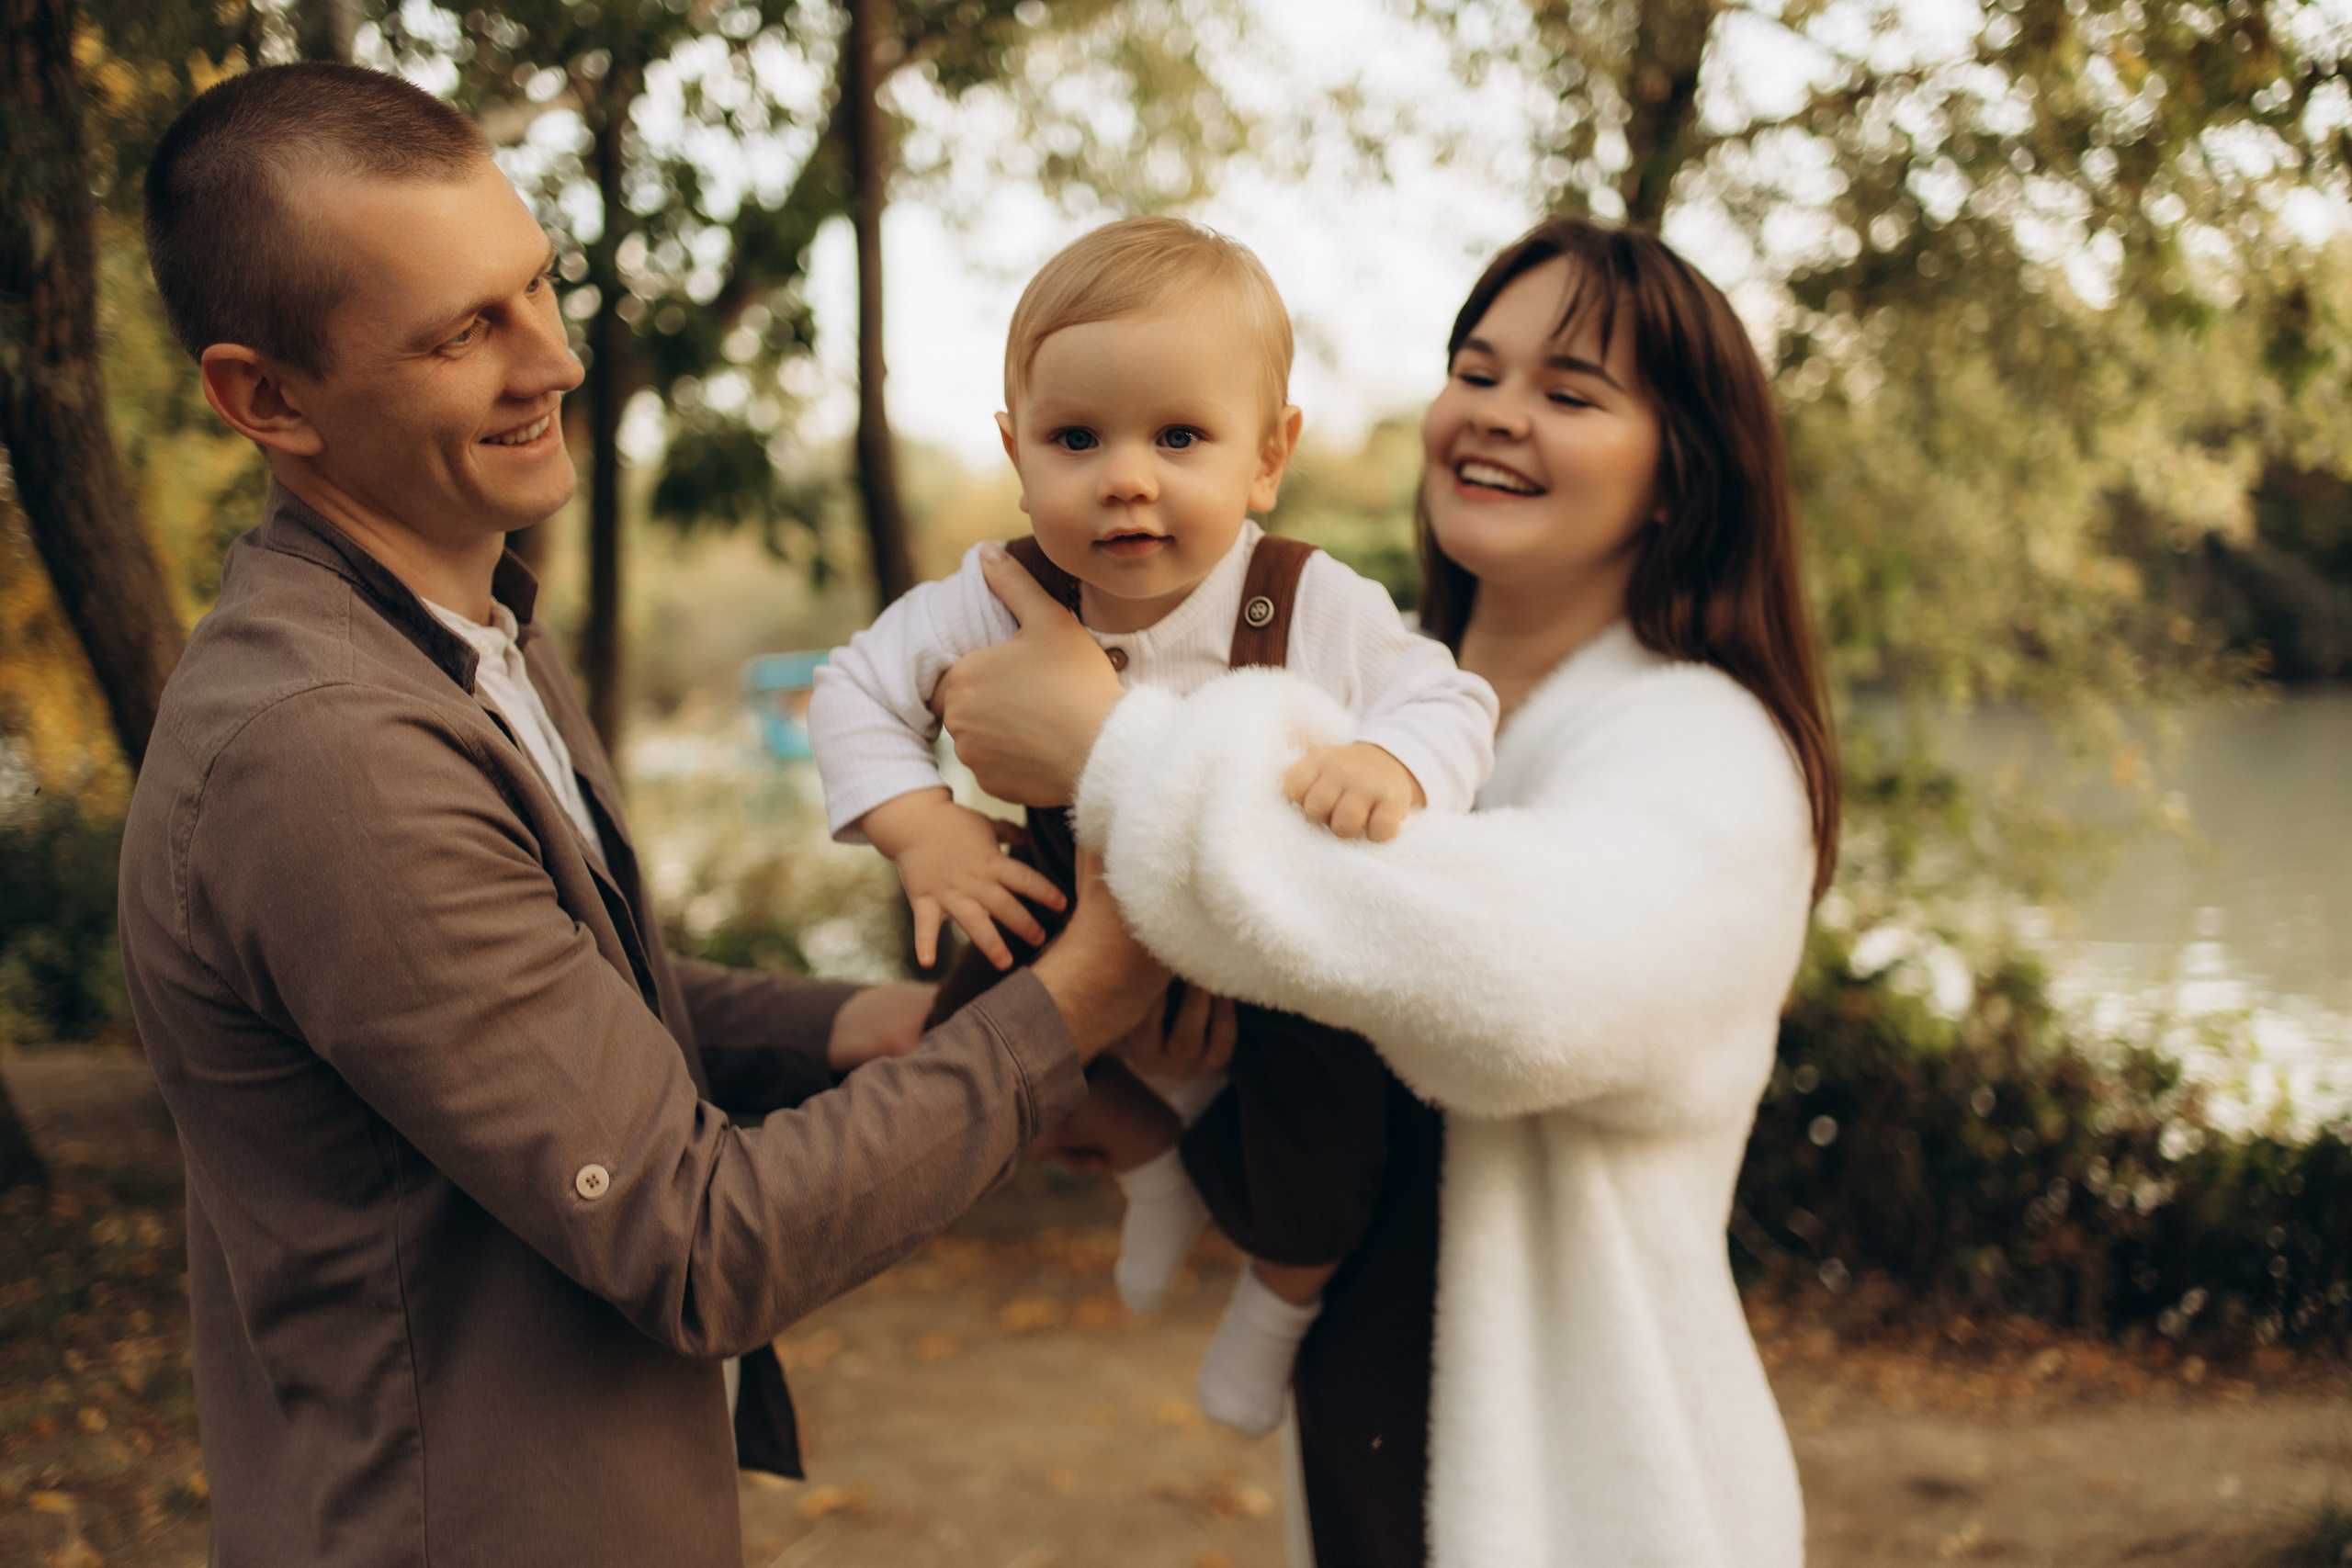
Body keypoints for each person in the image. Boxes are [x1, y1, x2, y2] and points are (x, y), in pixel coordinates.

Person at [116, 63, 1168, 1568]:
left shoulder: (465, 624)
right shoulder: (328, 754)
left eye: (538, 286)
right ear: (263, 397)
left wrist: (859, 1030)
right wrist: (1080, 1002)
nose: (551, 357)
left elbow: (578, 1012)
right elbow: (694, 1240)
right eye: (465, 330)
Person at [933, 215, 1841, 1567]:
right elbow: (1336, 981)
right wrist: (1198, 1051)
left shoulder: (1706, 745)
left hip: (1593, 1499)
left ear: (1677, 475)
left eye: (1568, 393)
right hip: (1369, 1436)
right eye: (1476, 372)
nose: (1496, 417)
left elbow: (1526, 984)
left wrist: (1114, 752)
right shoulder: (1366, 694)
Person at [806, 216, 1498, 1436]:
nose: (1127, 476)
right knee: (968, 1055)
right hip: (1078, 911)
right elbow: (854, 688)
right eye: (1078, 439)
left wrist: (1393, 759)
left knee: (1334, 1140)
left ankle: (1276, 1304)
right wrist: (927, 826)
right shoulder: (997, 594)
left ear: (1267, 456)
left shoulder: (1308, 597)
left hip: (1267, 944)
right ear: (1019, 454)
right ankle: (1149, 1159)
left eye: (1180, 436)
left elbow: (1448, 698)